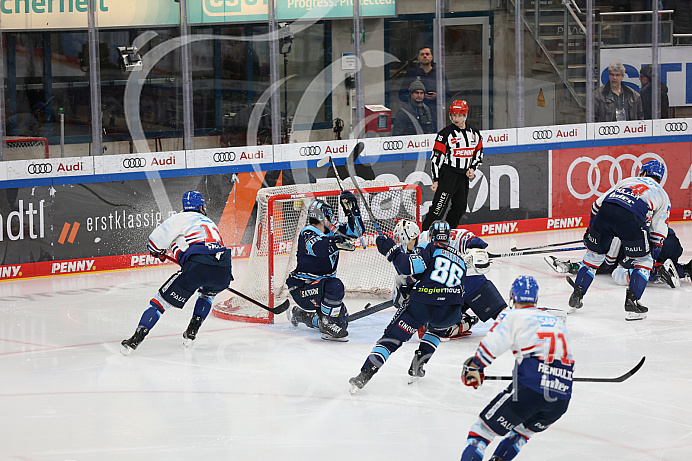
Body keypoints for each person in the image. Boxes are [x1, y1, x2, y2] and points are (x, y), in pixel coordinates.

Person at [460, 276, 574, 461]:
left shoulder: (513, 315)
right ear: (536, 299)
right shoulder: (556, 322)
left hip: (529, 390)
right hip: (561, 396)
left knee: (481, 432)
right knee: (520, 434)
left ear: (512, 296)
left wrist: (475, 368)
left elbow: (492, 345)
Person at [349, 220, 466, 393]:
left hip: (423, 304)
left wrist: (392, 251)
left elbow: (407, 266)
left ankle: (365, 374)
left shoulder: (428, 247)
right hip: (451, 311)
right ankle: (419, 364)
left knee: (391, 339)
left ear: (432, 235)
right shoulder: (461, 260)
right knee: (435, 331)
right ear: (448, 237)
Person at [121, 191, 233, 354]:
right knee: (207, 295)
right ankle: (193, 329)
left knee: (159, 303)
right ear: (200, 206)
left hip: (198, 267)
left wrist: (156, 251)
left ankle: (137, 338)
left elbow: (154, 242)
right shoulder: (210, 223)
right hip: (223, 268)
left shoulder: (179, 218)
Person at [568, 159, 671, 321]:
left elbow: (596, 206)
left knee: (593, 257)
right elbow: (659, 232)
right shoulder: (663, 196)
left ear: (643, 172)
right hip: (631, 218)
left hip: (606, 211)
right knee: (644, 261)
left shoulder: (627, 181)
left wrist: (590, 231)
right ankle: (632, 301)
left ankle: (577, 294)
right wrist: (653, 255)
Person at [391, 219, 506, 340]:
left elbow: (465, 237)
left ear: (410, 238)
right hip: (448, 293)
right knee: (430, 331)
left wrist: (476, 250)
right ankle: (463, 320)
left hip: (470, 283)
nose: (401, 247)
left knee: (501, 315)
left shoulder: (428, 238)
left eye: (402, 242)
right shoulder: (409, 257)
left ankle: (519, 326)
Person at [285, 192, 364, 342]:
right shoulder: (308, 232)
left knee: (342, 321)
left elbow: (356, 232)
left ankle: (303, 315)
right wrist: (336, 241)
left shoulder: (332, 231)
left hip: (319, 288)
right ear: (323, 218)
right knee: (335, 286)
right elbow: (319, 248)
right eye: (330, 218)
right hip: (302, 289)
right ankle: (327, 325)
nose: (333, 221)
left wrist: (352, 210)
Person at [545, 228, 692, 288]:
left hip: (649, 245)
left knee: (618, 273)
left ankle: (656, 272)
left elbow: (609, 264)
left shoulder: (615, 234)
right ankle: (685, 269)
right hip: (671, 243)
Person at [422, 99, 483, 231]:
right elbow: (436, 159)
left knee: (460, 207)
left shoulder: (475, 134)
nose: (457, 118)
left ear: (465, 115)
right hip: (447, 176)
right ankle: (424, 236)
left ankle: (448, 233)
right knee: (438, 209)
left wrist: (472, 168)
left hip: (463, 177)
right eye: (454, 115)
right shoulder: (444, 134)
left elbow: (478, 154)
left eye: (460, 115)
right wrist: (436, 180)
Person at [398, 45, 451, 130]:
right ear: (418, 57)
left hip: (435, 114)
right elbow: (402, 94)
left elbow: (448, 94)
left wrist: (437, 96)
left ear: (432, 57)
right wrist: (417, 97)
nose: (425, 56)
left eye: (427, 54)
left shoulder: (439, 73)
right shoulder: (412, 73)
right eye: (422, 54)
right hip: (416, 114)